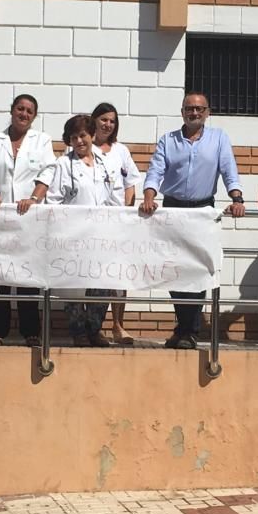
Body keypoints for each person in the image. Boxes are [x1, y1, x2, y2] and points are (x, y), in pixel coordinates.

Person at [141, 91, 245, 350]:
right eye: (190, 108)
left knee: (197, 271)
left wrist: (237, 197)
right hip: (173, 209)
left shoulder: (219, 138)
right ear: (182, 112)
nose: (195, 113)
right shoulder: (168, 140)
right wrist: (148, 196)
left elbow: (228, 169)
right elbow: (155, 170)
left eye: (200, 109)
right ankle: (184, 327)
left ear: (207, 112)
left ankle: (189, 330)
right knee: (174, 271)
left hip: (201, 210)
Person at [29, 115, 127, 346]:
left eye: (83, 135)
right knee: (73, 285)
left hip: (101, 235)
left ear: (92, 135)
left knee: (101, 286)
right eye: (73, 138)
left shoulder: (107, 163)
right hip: (72, 236)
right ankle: (78, 332)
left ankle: (94, 330)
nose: (79, 141)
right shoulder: (63, 164)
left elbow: (117, 197)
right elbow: (53, 199)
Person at [0, 94, 55, 346]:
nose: (24, 114)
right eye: (20, 109)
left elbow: (48, 171)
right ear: (12, 111)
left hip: (28, 218)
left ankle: (30, 331)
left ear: (34, 116)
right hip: (0, 217)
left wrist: (34, 198)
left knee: (26, 276)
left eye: (29, 111)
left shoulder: (41, 141)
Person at [91, 102, 141, 345]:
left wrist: (127, 210)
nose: (107, 124)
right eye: (103, 119)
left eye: (112, 120)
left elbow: (131, 182)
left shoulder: (121, 150)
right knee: (97, 275)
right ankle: (95, 325)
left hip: (119, 222)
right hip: (93, 223)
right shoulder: (85, 147)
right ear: (95, 120)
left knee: (119, 275)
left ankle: (118, 325)